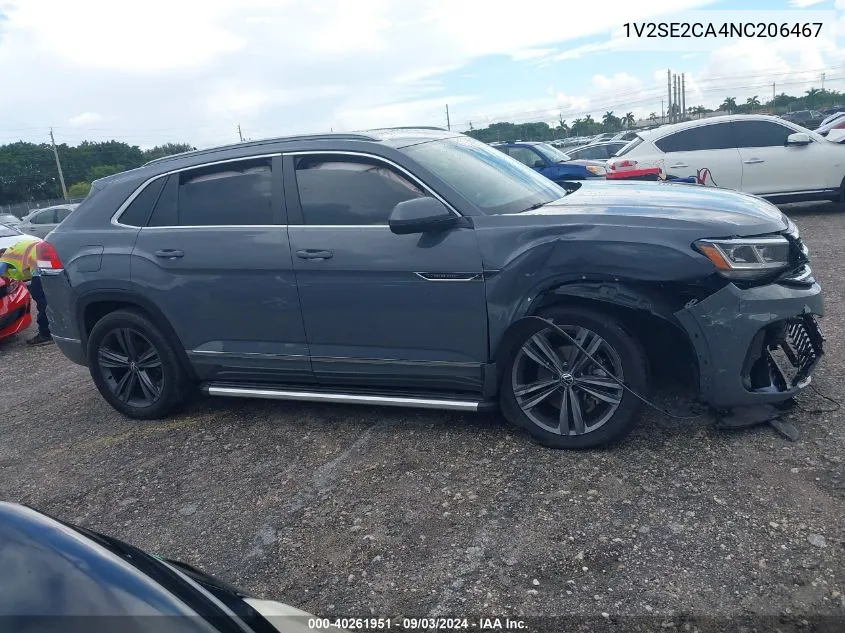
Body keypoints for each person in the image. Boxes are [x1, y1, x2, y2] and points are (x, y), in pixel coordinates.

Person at [0, 235, 53, 346]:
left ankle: (45, 334)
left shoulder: (5, 258)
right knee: (54, 300)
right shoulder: (16, 249)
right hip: (52, 265)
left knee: (43, 302)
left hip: (41, 269)